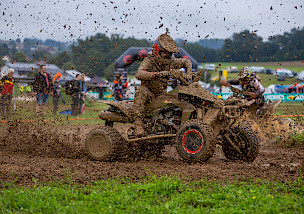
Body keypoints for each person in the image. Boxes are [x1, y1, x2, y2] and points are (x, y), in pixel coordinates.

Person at [133, 33, 193, 137]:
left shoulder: (171, 62)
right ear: (157, 51)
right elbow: (139, 74)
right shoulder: (149, 60)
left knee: (179, 94)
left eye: (170, 54)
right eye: (165, 53)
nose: (168, 56)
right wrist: (160, 74)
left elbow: (187, 62)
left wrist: (189, 74)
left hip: (162, 94)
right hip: (149, 94)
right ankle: (138, 124)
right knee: (141, 90)